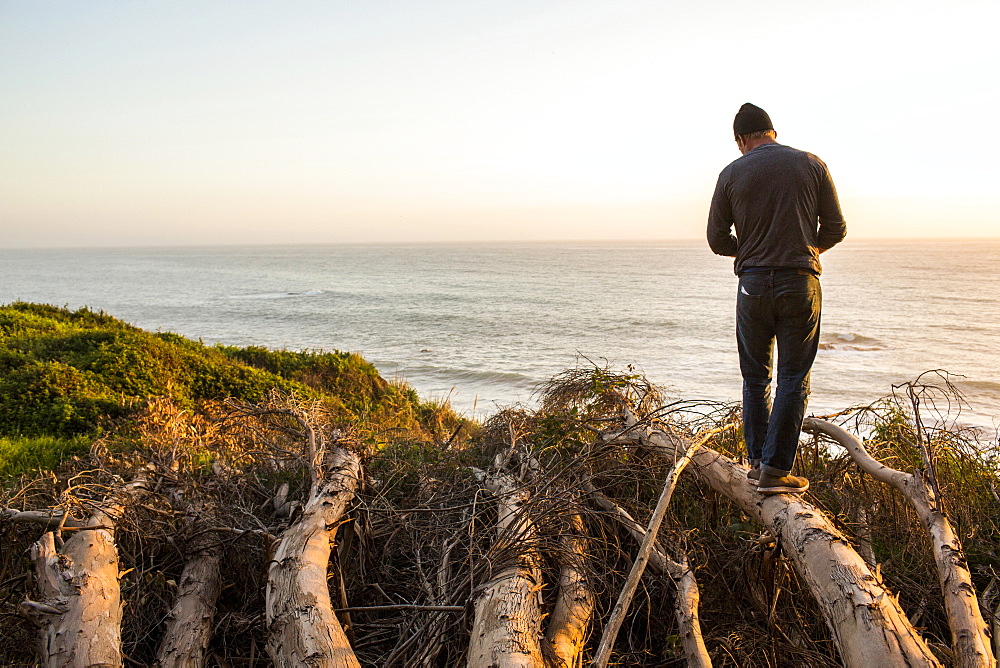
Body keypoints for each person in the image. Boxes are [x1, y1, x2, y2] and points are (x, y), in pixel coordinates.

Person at [707, 103, 846, 495]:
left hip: (751, 285)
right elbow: (836, 227)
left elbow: (717, 240)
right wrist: (800, 249)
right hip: (800, 281)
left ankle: (757, 463)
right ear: (772, 131)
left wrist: (752, 250)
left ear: (740, 140)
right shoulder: (810, 163)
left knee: (755, 377)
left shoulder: (731, 174)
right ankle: (775, 469)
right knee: (793, 377)